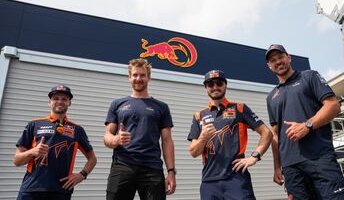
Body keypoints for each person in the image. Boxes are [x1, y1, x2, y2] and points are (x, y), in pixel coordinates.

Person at [265, 44, 344, 200]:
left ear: (289, 57)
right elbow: (275, 135)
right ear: (269, 66)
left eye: (281, 57)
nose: (278, 62)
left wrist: (307, 125)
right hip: (291, 167)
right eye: (273, 60)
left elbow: (333, 106)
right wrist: (277, 167)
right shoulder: (271, 96)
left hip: (319, 157)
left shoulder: (309, 77)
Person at [187, 70, 273, 200]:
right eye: (210, 84)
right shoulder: (199, 116)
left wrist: (254, 156)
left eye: (219, 83)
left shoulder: (239, 108)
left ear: (225, 85)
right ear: (206, 87)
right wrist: (203, 137)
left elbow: (266, 133)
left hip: (236, 180)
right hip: (209, 182)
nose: (215, 87)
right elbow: (193, 152)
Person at [103, 58, 176, 200]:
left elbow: (167, 141)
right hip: (122, 165)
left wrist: (171, 172)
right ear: (129, 77)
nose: (138, 78)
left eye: (142, 75)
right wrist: (116, 139)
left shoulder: (161, 107)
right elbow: (107, 137)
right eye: (135, 75)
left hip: (152, 168)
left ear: (149, 77)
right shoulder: (117, 104)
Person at [13, 84, 97, 200]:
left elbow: (92, 159)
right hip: (31, 189)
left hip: (61, 191)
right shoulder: (34, 124)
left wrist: (82, 175)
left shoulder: (77, 129)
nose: (60, 101)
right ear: (49, 102)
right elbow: (17, 160)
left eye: (64, 99)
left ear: (69, 103)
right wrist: (32, 152)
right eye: (55, 98)